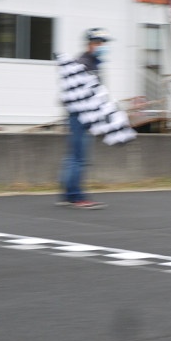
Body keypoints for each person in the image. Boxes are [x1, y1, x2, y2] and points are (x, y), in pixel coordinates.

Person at [57, 28, 112, 209]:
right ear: (90, 44)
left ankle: (68, 194)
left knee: (73, 156)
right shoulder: (84, 63)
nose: (102, 46)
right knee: (79, 158)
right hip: (80, 115)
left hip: (80, 114)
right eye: (99, 43)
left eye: (103, 43)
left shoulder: (91, 63)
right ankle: (76, 197)